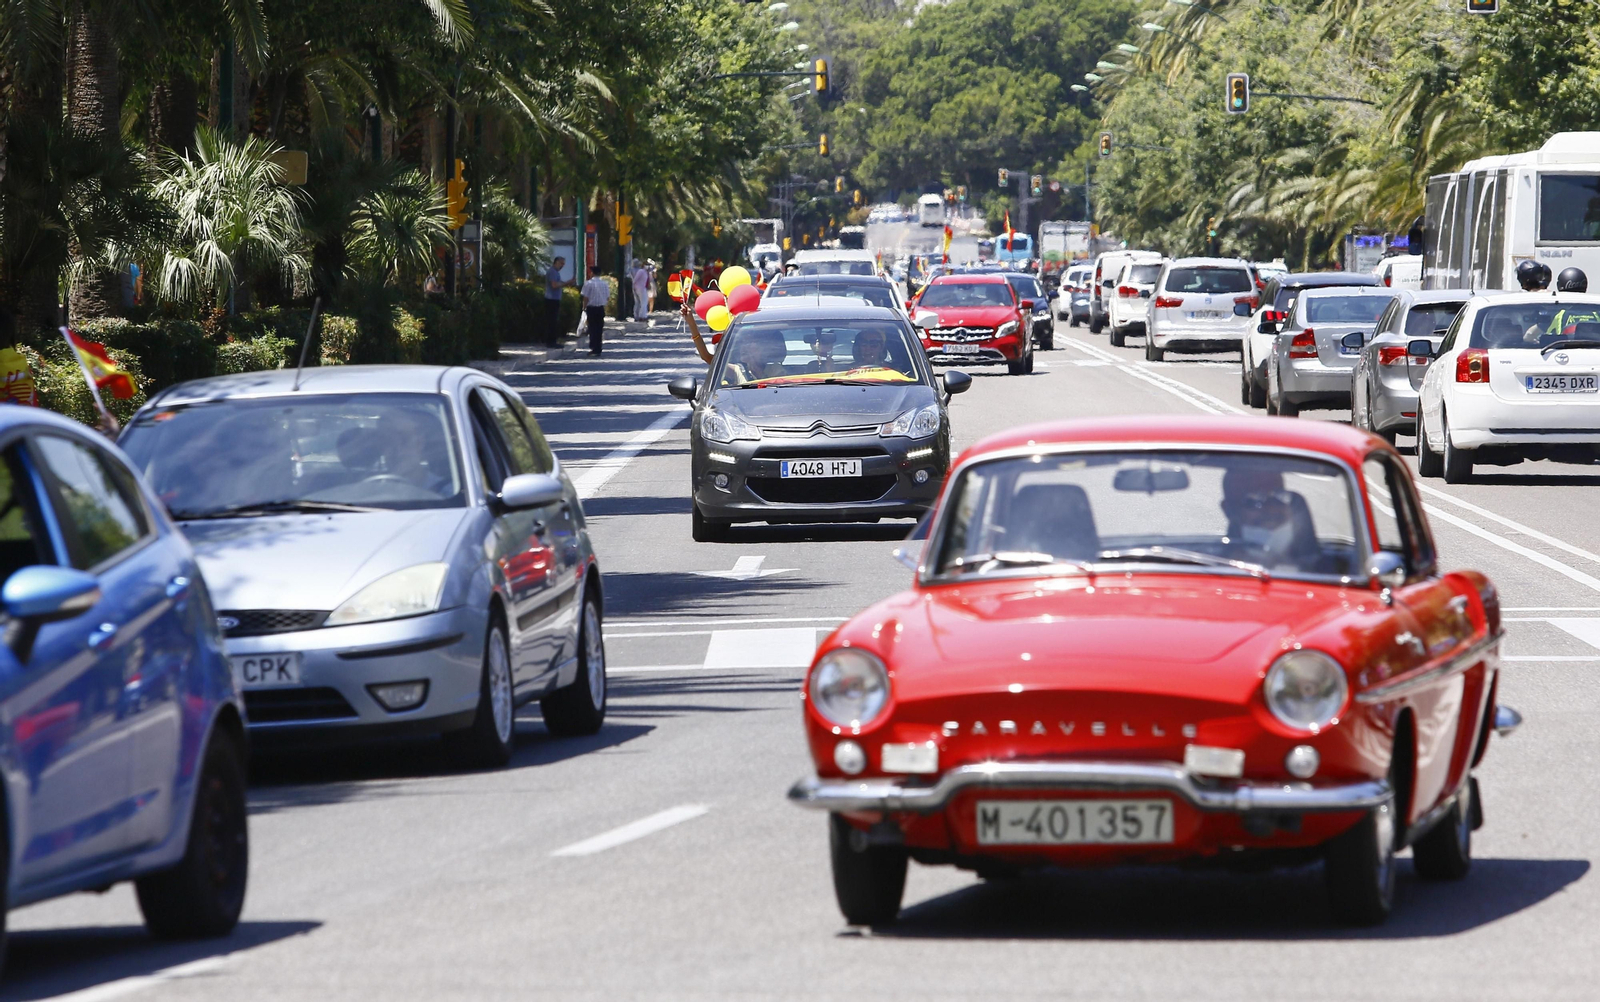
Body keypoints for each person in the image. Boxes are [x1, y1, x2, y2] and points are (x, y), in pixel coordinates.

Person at [580, 271, 611, 356]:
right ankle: (598, 347)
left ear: (592, 273)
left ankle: (593, 347)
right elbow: (608, 297)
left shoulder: (588, 283)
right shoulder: (604, 284)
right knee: (599, 329)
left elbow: (585, 297)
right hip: (600, 308)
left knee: (592, 328)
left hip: (591, 308)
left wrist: (584, 307)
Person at [543, 256, 568, 346]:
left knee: (554, 321)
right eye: (561, 263)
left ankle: (553, 340)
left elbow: (559, 283)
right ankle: (551, 342)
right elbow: (554, 285)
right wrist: (566, 283)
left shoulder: (556, 272)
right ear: (556, 262)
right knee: (551, 321)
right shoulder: (552, 272)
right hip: (551, 299)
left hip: (555, 299)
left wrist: (566, 283)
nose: (562, 266)